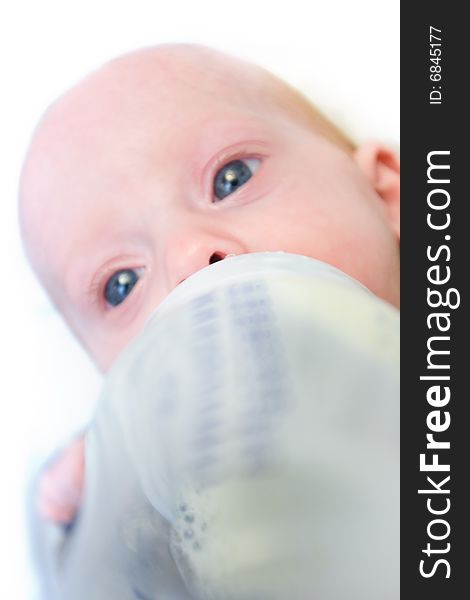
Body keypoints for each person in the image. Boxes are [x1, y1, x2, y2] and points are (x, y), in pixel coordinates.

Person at [18, 43, 400, 526]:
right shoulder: (166, 501)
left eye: (231, 179)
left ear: (386, 193)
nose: (188, 259)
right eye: (121, 285)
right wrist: (101, 492)